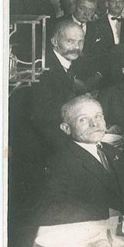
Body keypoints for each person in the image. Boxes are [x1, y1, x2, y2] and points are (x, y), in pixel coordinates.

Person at [38, 95, 124, 225]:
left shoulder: (113, 152)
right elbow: (48, 210)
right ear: (66, 128)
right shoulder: (59, 162)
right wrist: (103, 212)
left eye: (98, 116)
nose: (94, 123)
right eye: (83, 119)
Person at [30, 19, 91, 153]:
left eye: (80, 42)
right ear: (55, 42)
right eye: (70, 41)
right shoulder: (45, 68)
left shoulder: (62, 61)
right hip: (43, 144)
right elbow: (44, 115)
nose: (76, 47)